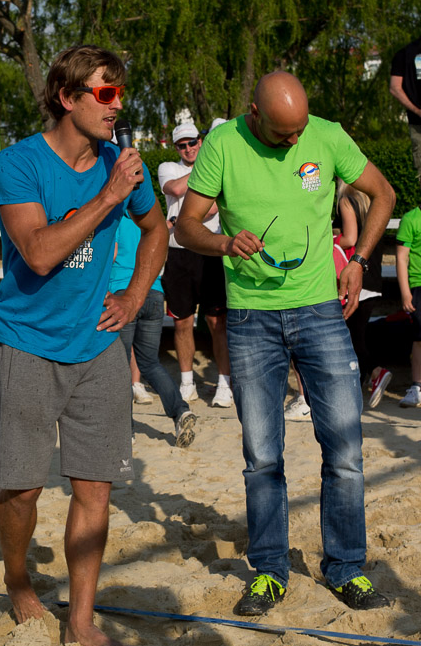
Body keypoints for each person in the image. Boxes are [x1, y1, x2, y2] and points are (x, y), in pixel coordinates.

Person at [176, 71, 395, 615]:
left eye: (300, 130)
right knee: (262, 457)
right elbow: (185, 226)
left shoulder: (328, 134)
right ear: (254, 113)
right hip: (251, 319)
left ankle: (345, 567)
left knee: (345, 451)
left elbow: (383, 194)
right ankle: (270, 571)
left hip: (321, 312)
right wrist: (224, 242)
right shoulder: (223, 143)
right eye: (282, 133)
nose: (295, 141)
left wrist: (359, 261)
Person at [0, 44, 168, 646]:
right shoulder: (19, 163)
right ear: (67, 97)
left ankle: (81, 618)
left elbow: (158, 228)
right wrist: (109, 196)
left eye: (120, 93)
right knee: (23, 490)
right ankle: (17, 579)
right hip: (26, 343)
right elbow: (38, 253)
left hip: (98, 345)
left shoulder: (122, 163)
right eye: (105, 93)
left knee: (95, 489)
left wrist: (135, 295)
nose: (117, 106)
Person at [158, 123, 233, 407]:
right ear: (176, 148)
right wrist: (208, 164)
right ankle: (187, 382)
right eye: (182, 145)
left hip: (210, 251)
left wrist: (183, 218)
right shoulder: (168, 167)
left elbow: (212, 209)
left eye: (192, 142)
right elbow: (175, 188)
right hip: (179, 253)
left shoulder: (214, 168)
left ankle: (224, 384)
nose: (188, 149)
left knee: (217, 322)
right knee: (182, 322)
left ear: (200, 142)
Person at [109, 211, 197, 447]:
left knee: (119, 366)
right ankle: (180, 412)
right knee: (150, 363)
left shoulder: (115, 218)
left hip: (123, 292)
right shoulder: (152, 218)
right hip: (154, 292)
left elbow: (112, 254)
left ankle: (125, 430)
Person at [335, 180, 392, 408]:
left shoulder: (346, 201)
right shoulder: (370, 203)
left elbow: (350, 238)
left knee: (351, 339)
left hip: (357, 279)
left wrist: (330, 240)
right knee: (357, 336)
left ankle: (377, 371)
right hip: (374, 278)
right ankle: (358, 390)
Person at [396, 204, 421, 407]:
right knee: (419, 339)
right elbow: (402, 257)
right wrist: (405, 292)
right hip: (418, 284)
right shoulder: (411, 219)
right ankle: (417, 387)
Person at [390, 37, 421, 181]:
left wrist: (417, 111)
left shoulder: (404, 53)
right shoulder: (405, 54)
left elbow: (395, 88)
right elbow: (394, 88)